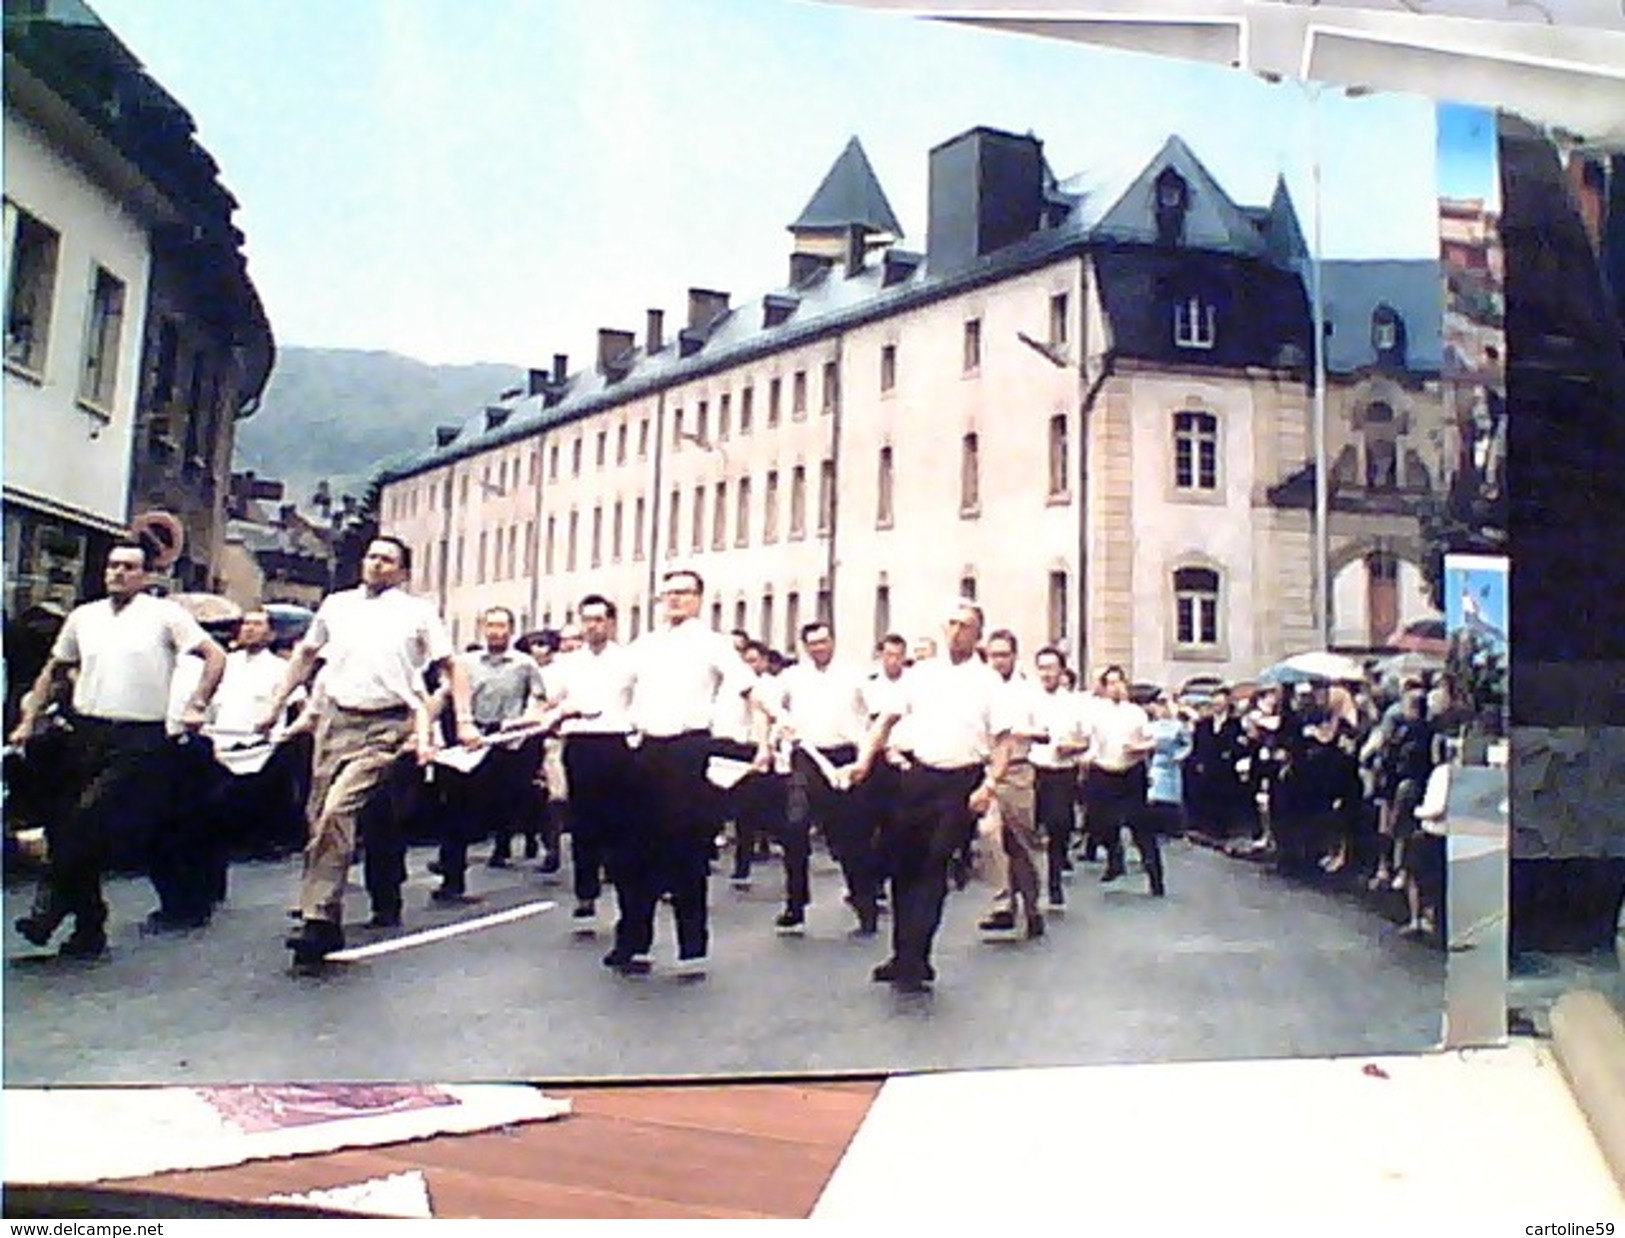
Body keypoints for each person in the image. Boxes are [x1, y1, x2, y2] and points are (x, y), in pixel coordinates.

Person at [258, 537, 478, 967]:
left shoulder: (416, 612)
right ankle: (325, 912)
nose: (376, 564)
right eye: (372, 556)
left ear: (402, 571)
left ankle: (318, 917)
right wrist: (275, 705)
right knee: (319, 816)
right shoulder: (338, 605)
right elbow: (305, 654)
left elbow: (451, 667)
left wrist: (464, 720)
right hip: (337, 721)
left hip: (388, 723)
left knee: (340, 809)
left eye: (387, 559)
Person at [9, 540, 226, 957]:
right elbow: (54, 670)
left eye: (129, 567)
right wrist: (27, 720)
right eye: (113, 566)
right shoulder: (84, 617)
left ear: (144, 575)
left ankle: (47, 910)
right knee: (72, 826)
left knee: (88, 818)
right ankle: (89, 926)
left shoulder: (165, 616)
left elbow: (213, 655)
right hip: (86, 729)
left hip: (139, 736)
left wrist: (198, 702)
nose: (119, 573)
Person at [603, 568, 779, 976]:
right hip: (647, 749)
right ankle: (633, 942)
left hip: (689, 750)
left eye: (683, 593)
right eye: (668, 594)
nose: (675, 600)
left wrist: (778, 719)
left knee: (686, 850)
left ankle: (691, 947)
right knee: (634, 854)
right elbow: (613, 689)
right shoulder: (645, 644)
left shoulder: (712, 645)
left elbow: (749, 686)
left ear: (699, 598)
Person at [851, 600, 1016, 993]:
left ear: (978, 634)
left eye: (966, 626)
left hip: (961, 781)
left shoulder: (988, 681)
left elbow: (1004, 739)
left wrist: (989, 785)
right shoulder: (921, 675)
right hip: (919, 777)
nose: (957, 632)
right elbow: (886, 720)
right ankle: (902, 952)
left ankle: (917, 956)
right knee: (902, 864)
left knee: (932, 865)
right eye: (952, 624)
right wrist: (863, 760)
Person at [435, 606, 547, 903]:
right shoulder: (465, 663)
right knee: (455, 809)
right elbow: (444, 695)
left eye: (502, 626)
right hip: (471, 737)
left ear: (511, 630)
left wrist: (526, 722)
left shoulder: (525, 665)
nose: (496, 631)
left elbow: (538, 699)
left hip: (506, 741)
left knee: (499, 803)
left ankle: (503, 843)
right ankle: (452, 877)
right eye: (491, 625)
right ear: (482, 628)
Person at [540, 594, 637, 927]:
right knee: (582, 820)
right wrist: (552, 716)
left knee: (620, 822)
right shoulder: (568, 664)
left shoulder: (628, 661)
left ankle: (625, 893)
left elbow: (639, 702)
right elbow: (551, 701)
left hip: (617, 742)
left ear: (611, 623)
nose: (592, 626)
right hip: (581, 742)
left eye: (599, 619)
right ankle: (585, 892)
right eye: (587, 620)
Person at [776, 621, 878, 936]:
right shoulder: (793, 677)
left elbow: (878, 712)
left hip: (844, 755)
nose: (819, 648)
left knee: (850, 836)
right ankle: (796, 905)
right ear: (805, 647)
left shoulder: (854, 674)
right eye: (813, 643)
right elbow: (768, 704)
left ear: (832, 641)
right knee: (794, 827)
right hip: (807, 757)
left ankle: (865, 903)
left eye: (824, 641)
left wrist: (868, 752)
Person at [975, 629, 1050, 940]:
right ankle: (1003, 903)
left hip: (1018, 771)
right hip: (985, 768)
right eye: (993, 655)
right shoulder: (979, 688)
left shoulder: (1028, 691)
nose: (998, 661)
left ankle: (1033, 905)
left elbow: (1045, 731)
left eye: (1004, 654)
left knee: (1021, 842)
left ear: (1014, 656)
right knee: (990, 834)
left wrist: (1016, 732)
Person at [1083, 666, 1162, 896]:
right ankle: (1114, 859)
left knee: (1141, 827)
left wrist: (1139, 747)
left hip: (1130, 771)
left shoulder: (1135, 713)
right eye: (1110, 683)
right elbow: (1088, 739)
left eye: (1119, 682)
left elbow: (1151, 741)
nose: (1115, 688)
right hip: (1104, 770)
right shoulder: (1096, 713)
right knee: (1100, 822)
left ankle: (1155, 875)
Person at [1029, 646, 1090, 908]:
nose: (1046, 673)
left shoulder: (1074, 703)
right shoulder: (1027, 698)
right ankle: (1027, 887)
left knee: (1059, 827)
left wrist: (1073, 747)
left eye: (1051, 668)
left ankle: (1054, 882)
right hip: (1031, 768)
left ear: (1061, 670)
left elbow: (1086, 740)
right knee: (1026, 830)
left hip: (1061, 771)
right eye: (1041, 667)